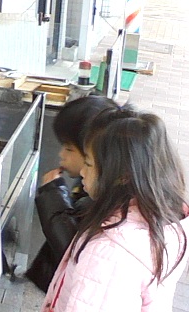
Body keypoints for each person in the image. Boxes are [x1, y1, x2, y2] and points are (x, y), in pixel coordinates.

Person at [42, 106, 189, 311]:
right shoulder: (166, 219)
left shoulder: (109, 253)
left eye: (89, 164)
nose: (82, 171)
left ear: (122, 175)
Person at [26, 95, 118, 292]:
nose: (61, 154)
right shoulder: (95, 183)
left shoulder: (101, 198)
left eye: (69, 148)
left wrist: (53, 194)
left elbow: (71, 251)